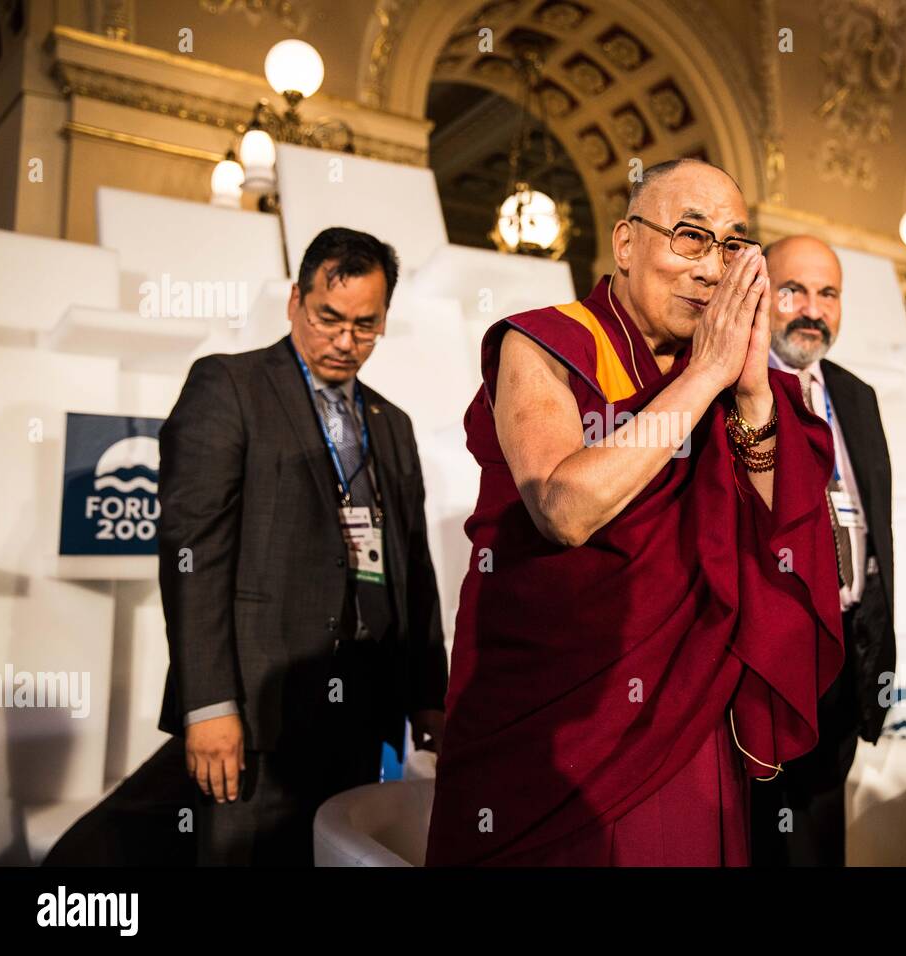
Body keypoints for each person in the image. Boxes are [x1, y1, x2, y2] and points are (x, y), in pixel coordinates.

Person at [425, 159, 844, 866]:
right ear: (625, 243)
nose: (712, 269)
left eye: (731, 245)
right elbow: (564, 508)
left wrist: (748, 400)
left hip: (682, 716)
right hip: (552, 726)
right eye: (690, 237)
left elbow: (786, 532)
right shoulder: (542, 343)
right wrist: (706, 377)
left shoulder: (733, 376)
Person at [156, 226, 448, 866]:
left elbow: (413, 568)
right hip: (257, 712)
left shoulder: (390, 424)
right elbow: (193, 553)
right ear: (295, 301)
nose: (345, 342)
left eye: (366, 325)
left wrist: (430, 693)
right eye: (329, 318)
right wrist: (207, 705)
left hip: (363, 711)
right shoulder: (230, 387)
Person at [749, 235, 896, 867]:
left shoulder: (856, 395)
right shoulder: (731, 387)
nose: (812, 309)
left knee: (819, 844)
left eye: (828, 293)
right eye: (794, 291)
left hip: (846, 660)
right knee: (755, 842)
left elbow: (878, 533)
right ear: (762, 294)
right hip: (760, 665)